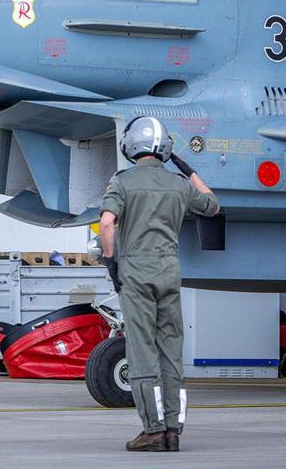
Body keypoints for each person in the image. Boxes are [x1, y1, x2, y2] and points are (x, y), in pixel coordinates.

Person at [99, 116, 219, 453]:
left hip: (137, 273)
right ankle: (173, 430)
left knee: (142, 351)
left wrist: (111, 262)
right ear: (164, 148)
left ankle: (153, 430)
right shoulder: (179, 184)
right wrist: (188, 170)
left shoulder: (123, 181)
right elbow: (212, 205)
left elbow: (107, 223)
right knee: (171, 351)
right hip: (169, 272)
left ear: (130, 145)